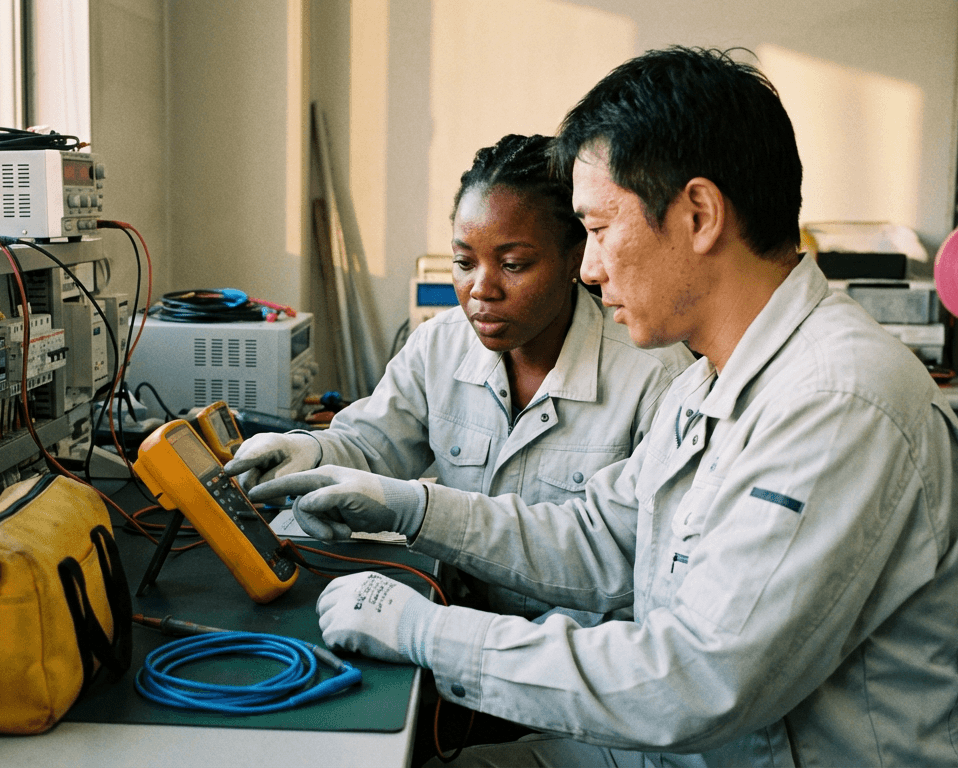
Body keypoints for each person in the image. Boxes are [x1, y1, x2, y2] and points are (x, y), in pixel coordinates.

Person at [249, 47, 958, 767]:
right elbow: (600, 538)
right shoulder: (710, 381)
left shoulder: (838, 402)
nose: (592, 268)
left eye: (600, 231)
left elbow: (700, 681)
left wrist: (427, 632)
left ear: (699, 213)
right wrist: (407, 505)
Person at [226, 133, 692, 620]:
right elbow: (373, 446)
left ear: (576, 259)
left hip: (570, 652)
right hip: (458, 614)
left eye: (513, 264)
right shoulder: (439, 345)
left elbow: (629, 568)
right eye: (464, 262)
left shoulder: (654, 378)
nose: (481, 289)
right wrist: (313, 452)